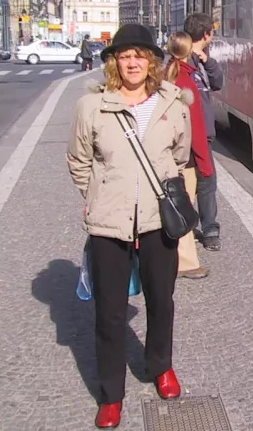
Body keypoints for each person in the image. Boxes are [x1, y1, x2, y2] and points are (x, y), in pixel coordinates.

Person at [66, 23, 192, 429]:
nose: (133, 61)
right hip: (109, 221)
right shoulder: (92, 107)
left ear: (151, 61)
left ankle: (161, 366)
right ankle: (111, 394)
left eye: (140, 54)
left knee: (161, 299)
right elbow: (79, 160)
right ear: (114, 62)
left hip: (158, 220)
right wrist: (98, 196)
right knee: (109, 311)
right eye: (124, 55)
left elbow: (181, 155)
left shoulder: (173, 103)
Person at [165, 32, 212, 280]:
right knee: (183, 207)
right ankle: (185, 262)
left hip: (164, 155)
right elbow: (196, 127)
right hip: (186, 158)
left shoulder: (165, 75)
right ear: (188, 51)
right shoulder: (187, 80)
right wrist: (205, 164)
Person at [184, 14, 224, 251]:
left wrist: (207, 61)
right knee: (203, 181)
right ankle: (205, 229)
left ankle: (208, 228)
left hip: (203, 132)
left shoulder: (202, 60)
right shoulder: (181, 58)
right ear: (207, 34)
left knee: (206, 180)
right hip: (188, 132)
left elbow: (218, 82)